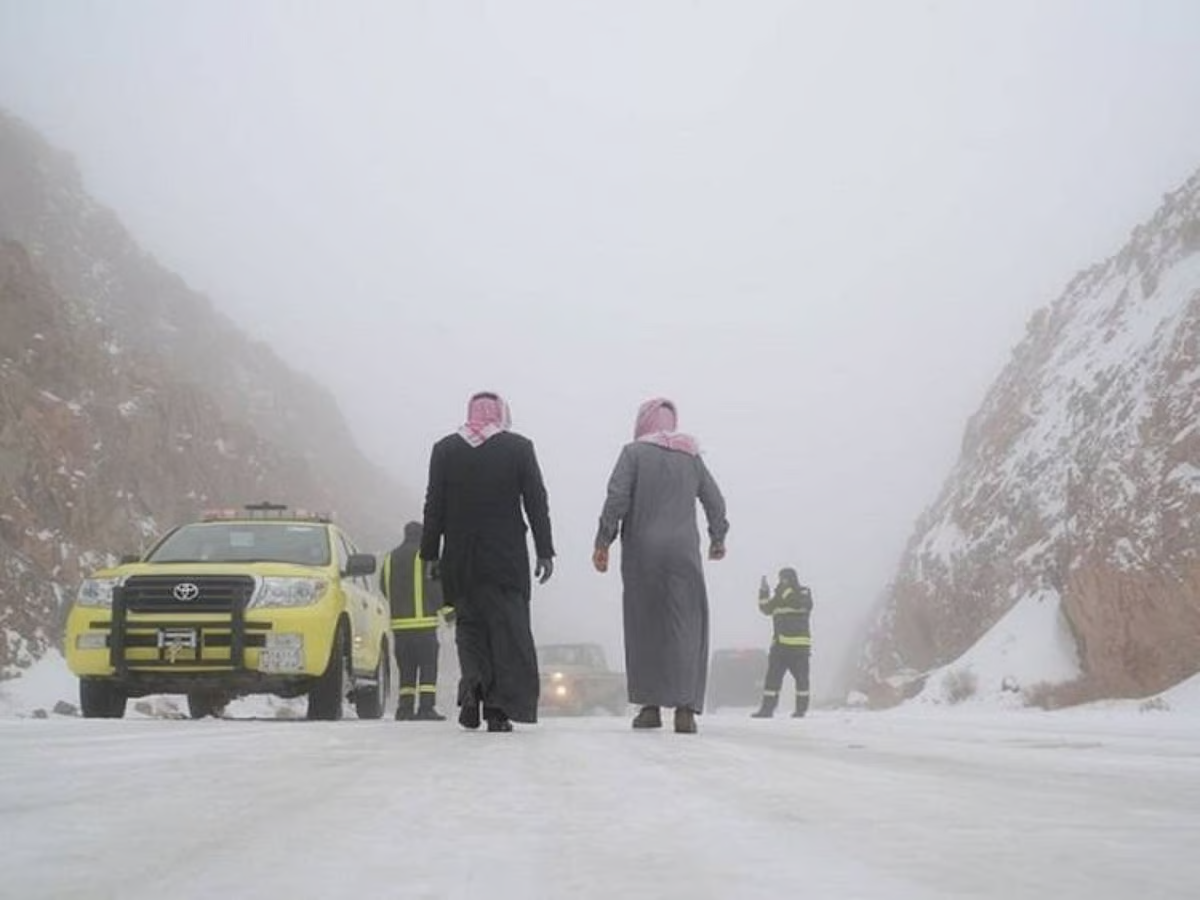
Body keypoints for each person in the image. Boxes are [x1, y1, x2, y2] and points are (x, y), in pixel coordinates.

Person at [420, 391, 555, 733]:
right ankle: (497, 708)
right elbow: (536, 501)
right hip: (504, 558)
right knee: (506, 633)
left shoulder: (445, 449)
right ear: (500, 414)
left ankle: (472, 688)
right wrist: (544, 549)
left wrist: (430, 554)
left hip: (460, 559)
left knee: (469, 628)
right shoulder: (518, 448)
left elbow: (433, 504)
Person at [593, 397, 728, 734]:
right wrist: (717, 537)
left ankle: (649, 708)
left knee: (644, 625)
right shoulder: (691, 457)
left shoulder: (633, 453)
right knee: (686, 626)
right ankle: (685, 710)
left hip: (643, 552)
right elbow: (715, 499)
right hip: (683, 553)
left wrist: (603, 541)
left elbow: (617, 497)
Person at [380, 520, 453, 721]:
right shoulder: (427, 556)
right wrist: (448, 613)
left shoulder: (389, 559)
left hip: (399, 627)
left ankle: (404, 709)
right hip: (424, 626)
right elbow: (436, 588)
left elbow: (384, 587)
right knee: (428, 668)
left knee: (406, 668)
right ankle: (426, 708)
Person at [751, 568, 813, 718]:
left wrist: (783, 591)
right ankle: (767, 710)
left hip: (799, 648)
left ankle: (801, 710)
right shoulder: (779, 597)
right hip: (780, 647)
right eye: (781, 579)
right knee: (772, 680)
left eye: (784, 578)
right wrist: (764, 592)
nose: (781, 582)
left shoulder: (803, 592)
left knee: (802, 681)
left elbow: (800, 604)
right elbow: (766, 608)